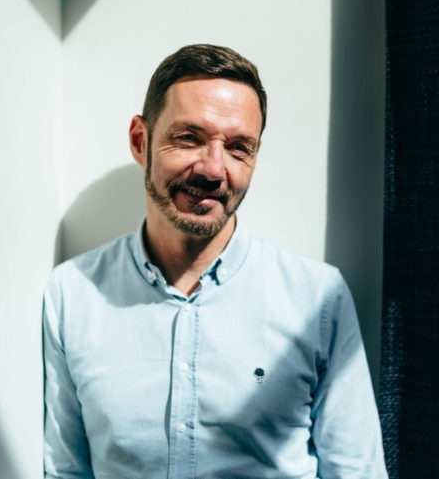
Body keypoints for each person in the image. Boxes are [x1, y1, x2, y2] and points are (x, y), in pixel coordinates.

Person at [42, 44, 388, 478]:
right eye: (189, 138)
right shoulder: (73, 294)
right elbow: (65, 470)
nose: (213, 168)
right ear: (140, 141)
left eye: (239, 147)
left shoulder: (318, 298)